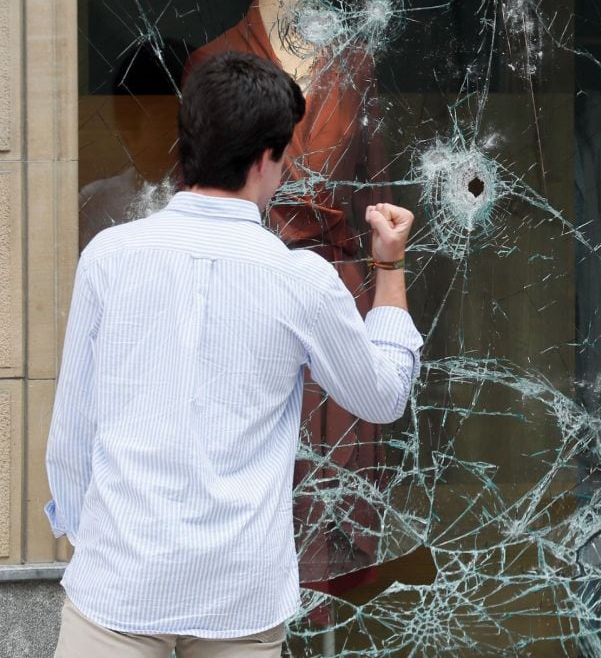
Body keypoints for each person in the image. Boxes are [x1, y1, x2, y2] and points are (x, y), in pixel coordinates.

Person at [44, 51, 423, 657]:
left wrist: (95, 543)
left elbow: (71, 433)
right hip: (238, 597)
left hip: (117, 585)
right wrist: (389, 266)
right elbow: (382, 394)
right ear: (266, 160)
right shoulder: (301, 277)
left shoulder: (109, 257)